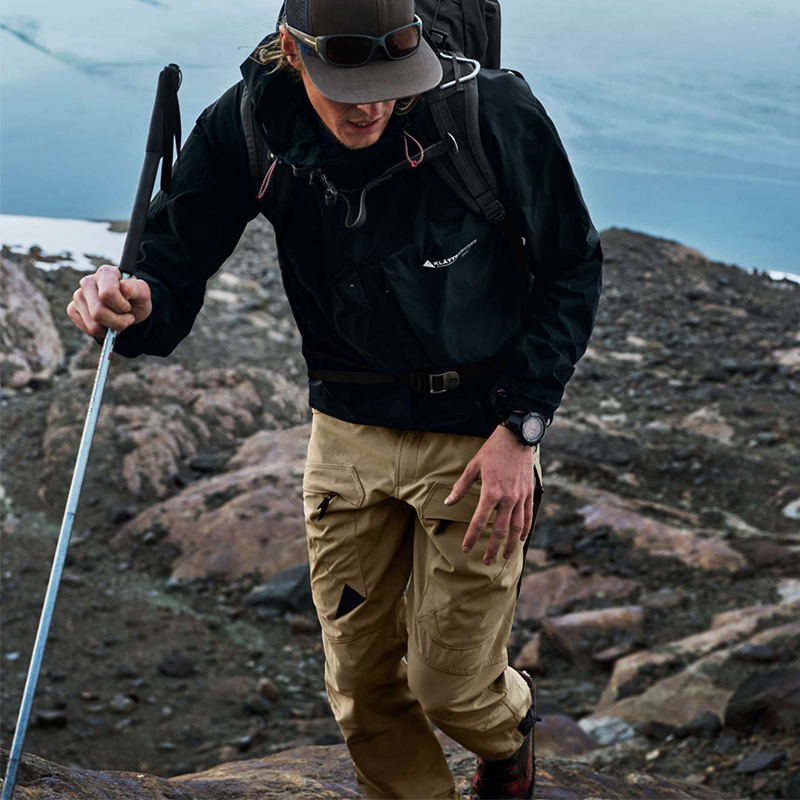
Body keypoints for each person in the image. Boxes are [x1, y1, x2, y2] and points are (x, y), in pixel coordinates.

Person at [67, 0, 602, 796]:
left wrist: (521, 429)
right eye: (350, 85)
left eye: (392, 81)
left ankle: (507, 732)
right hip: (346, 435)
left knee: (451, 689)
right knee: (361, 689)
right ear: (293, 49)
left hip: (477, 435)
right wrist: (135, 303)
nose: (373, 104)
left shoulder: (490, 110)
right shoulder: (250, 122)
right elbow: (171, 269)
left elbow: (570, 266)